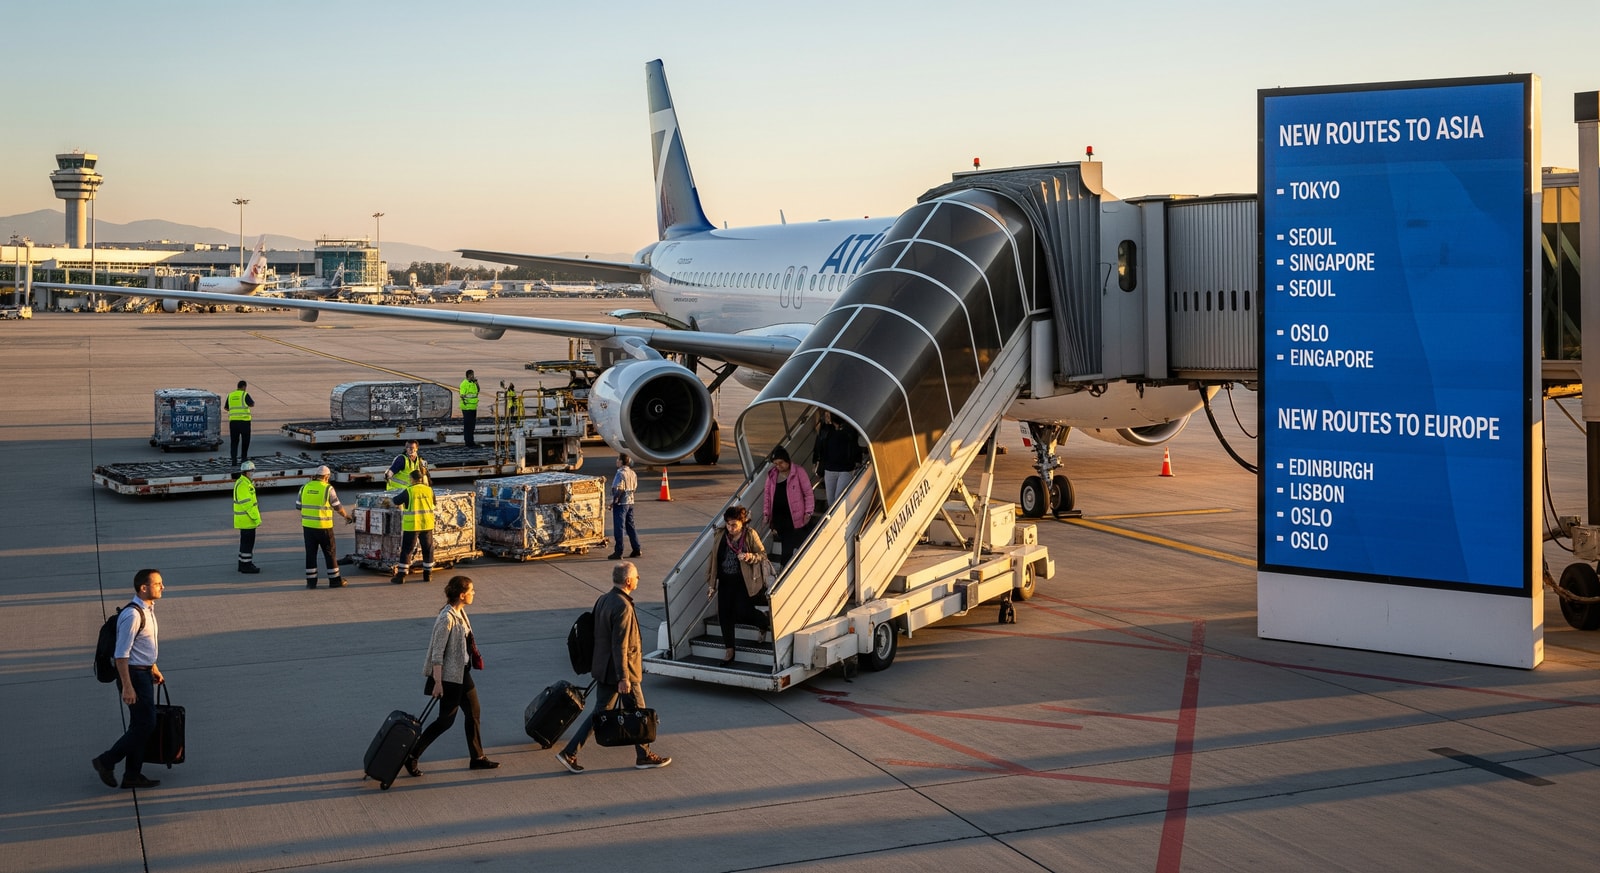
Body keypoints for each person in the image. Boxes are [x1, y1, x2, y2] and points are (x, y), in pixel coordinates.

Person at [556, 562, 671, 773]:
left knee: (600, 713)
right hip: (622, 672)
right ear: (628, 581)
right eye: (636, 577)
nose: (638, 580)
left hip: (604, 669)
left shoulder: (604, 599)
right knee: (639, 713)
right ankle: (644, 756)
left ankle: (570, 752)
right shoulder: (623, 606)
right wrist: (624, 677)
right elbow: (620, 645)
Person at [406, 575, 498, 776]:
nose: (474, 594)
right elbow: (436, 654)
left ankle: (477, 758)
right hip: (449, 678)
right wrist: (438, 683)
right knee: (445, 721)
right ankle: (412, 755)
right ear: (462, 594)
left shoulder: (461, 613)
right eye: (471, 591)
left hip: (462, 673)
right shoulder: (446, 619)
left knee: (474, 712)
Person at [91, 569, 166, 790]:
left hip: (143, 672)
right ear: (144, 588)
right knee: (146, 724)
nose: (163, 587)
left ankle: (132, 775)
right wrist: (127, 687)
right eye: (158, 583)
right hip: (134, 676)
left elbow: (142, 645)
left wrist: (153, 666)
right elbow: (121, 655)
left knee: (140, 725)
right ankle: (106, 760)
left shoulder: (148, 609)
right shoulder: (133, 615)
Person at [706, 506, 771, 663]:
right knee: (724, 615)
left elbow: (762, 555)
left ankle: (764, 621)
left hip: (744, 582)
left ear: (742, 522)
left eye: (734, 524)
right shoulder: (720, 534)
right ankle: (729, 650)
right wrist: (711, 584)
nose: (731, 528)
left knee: (743, 612)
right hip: (725, 581)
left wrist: (749, 556)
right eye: (728, 524)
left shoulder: (750, 535)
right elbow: (714, 560)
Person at [297, 465, 353, 589]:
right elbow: (337, 506)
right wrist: (346, 516)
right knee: (330, 553)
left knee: (310, 554)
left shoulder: (304, 487)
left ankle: (311, 582)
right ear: (326, 477)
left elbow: (298, 505)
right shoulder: (328, 489)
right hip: (324, 527)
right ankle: (335, 581)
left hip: (308, 527)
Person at [762, 446, 814, 565]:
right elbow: (767, 496)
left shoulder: (799, 472)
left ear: (787, 460)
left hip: (793, 517)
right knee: (786, 543)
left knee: (789, 545)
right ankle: (785, 568)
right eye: (776, 464)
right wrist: (766, 513)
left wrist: (808, 511)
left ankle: (785, 569)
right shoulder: (772, 475)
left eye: (781, 463)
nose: (778, 466)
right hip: (779, 517)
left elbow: (808, 493)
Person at [390, 468, 435, 585]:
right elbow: (434, 503)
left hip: (412, 525)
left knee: (407, 550)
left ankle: (401, 575)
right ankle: (428, 574)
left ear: (413, 479)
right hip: (427, 524)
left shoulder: (409, 491)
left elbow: (396, 501)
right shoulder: (429, 490)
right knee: (428, 549)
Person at [812, 410, 864, 507]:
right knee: (831, 500)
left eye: (828, 415)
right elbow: (818, 446)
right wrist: (815, 461)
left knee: (838, 498)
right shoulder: (825, 430)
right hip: (829, 470)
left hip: (845, 470)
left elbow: (855, 446)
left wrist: (857, 461)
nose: (826, 417)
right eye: (825, 414)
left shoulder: (849, 430)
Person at [606, 454, 640, 560]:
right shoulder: (632, 473)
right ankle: (636, 549)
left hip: (621, 503)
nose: (616, 461)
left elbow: (619, 489)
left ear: (621, 462)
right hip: (630, 502)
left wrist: (614, 501)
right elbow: (634, 488)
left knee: (619, 527)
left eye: (617, 459)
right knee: (630, 526)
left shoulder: (620, 473)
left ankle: (618, 551)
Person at [233, 460, 262, 574]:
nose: (253, 472)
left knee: (245, 544)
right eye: (252, 471)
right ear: (246, 472)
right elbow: (247, 505)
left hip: (246, 520)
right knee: (247, 544)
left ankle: (243, 564)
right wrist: (256, 518)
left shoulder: (245, 482)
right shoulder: (243, 484)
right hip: (247, 520)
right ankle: (246, 566)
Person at [225, 380, 255, 467]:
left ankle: (234, 460)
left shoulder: (230, 395)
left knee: (234, 441)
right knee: (245, 440)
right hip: (244, 422)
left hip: (233, 422)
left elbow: (226, 408)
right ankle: (243, 458)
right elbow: (252, 404)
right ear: (244, 387)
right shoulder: (244, 394)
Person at [458, 369, 480, 448]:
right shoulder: (464, 384)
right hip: (467, 408)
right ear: (468, 375)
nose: (473, 376)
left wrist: (477, 383)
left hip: (473, 407)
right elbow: (462, 395)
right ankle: (468, 442)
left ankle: (471, 441)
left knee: (472, 426)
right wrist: (466, 402)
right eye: (472, 375)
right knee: (468, 426)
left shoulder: (473, 383)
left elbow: (478, 391)